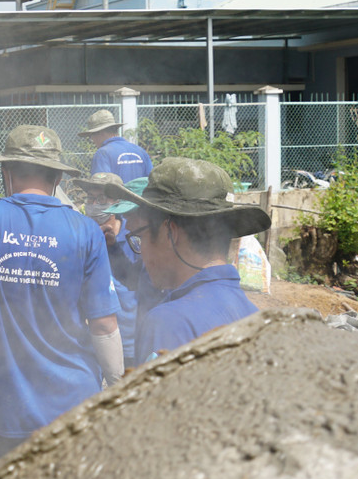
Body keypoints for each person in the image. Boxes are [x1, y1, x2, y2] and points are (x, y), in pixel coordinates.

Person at [0, 124, 124, 468]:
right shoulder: (85, 230)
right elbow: (103, 324)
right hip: (74, 405)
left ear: (6, 172)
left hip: (8, 409)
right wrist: (116, 386)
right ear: (56, 178)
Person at [105, 157, 271, 363]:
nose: (142, 253)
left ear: (169, 232)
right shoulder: (256, 317)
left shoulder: (168, 322)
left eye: (140, 237)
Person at [73, 173, 144, 368]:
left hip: (130, 342)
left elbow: (136, 280)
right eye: (90, 198)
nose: (95, 204)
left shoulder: (135, 236)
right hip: (91, 340)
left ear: (118, 203)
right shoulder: (78, 237)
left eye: (102, 199)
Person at [81, 110, 152, 183]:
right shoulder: (140, 151)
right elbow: (151, 180)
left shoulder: (102, 153)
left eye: (91, 135)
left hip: (115, 194)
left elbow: (100, 186)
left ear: (100, 132)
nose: (92, 139)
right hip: (139, 195)